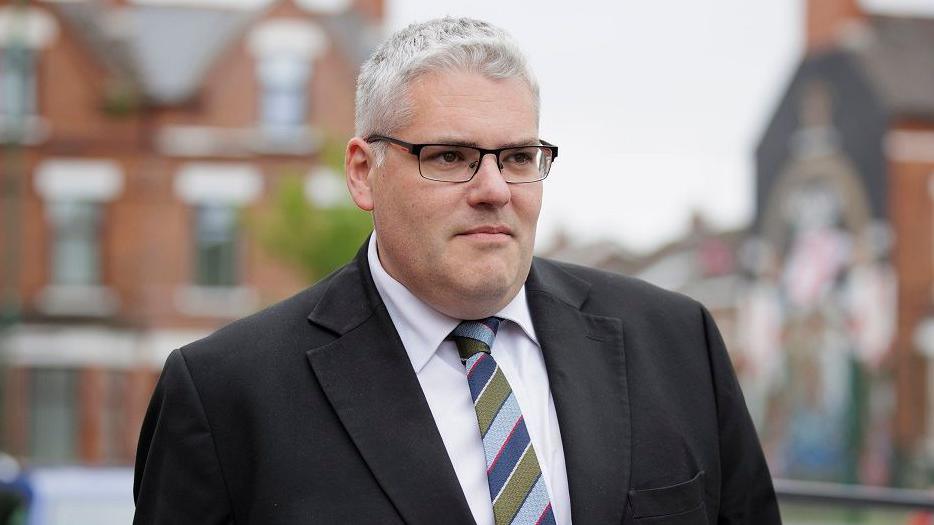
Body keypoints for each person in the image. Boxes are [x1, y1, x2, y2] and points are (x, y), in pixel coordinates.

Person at [133, 17, 781, 525]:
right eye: (449, 156)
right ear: (364, 172)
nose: (495, 188)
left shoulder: (675, 342)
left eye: (519, 156)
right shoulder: (226, 394)